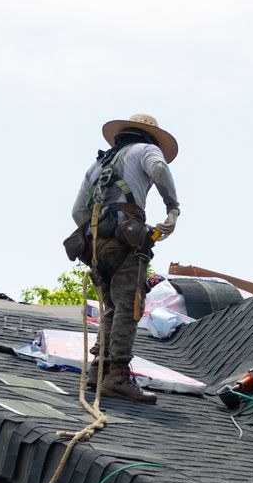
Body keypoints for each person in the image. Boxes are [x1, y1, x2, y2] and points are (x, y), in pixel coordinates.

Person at [68, 113, 181, 405]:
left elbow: (77, 212)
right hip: (125, 239)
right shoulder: (146, 150)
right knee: (130, 304)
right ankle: (117, 376)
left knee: (110, 306)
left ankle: (98, 369)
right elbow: (158, 168)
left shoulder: (98, 164)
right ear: (151, 136)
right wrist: (172, 208)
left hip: (95, 245)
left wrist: (97, 232)